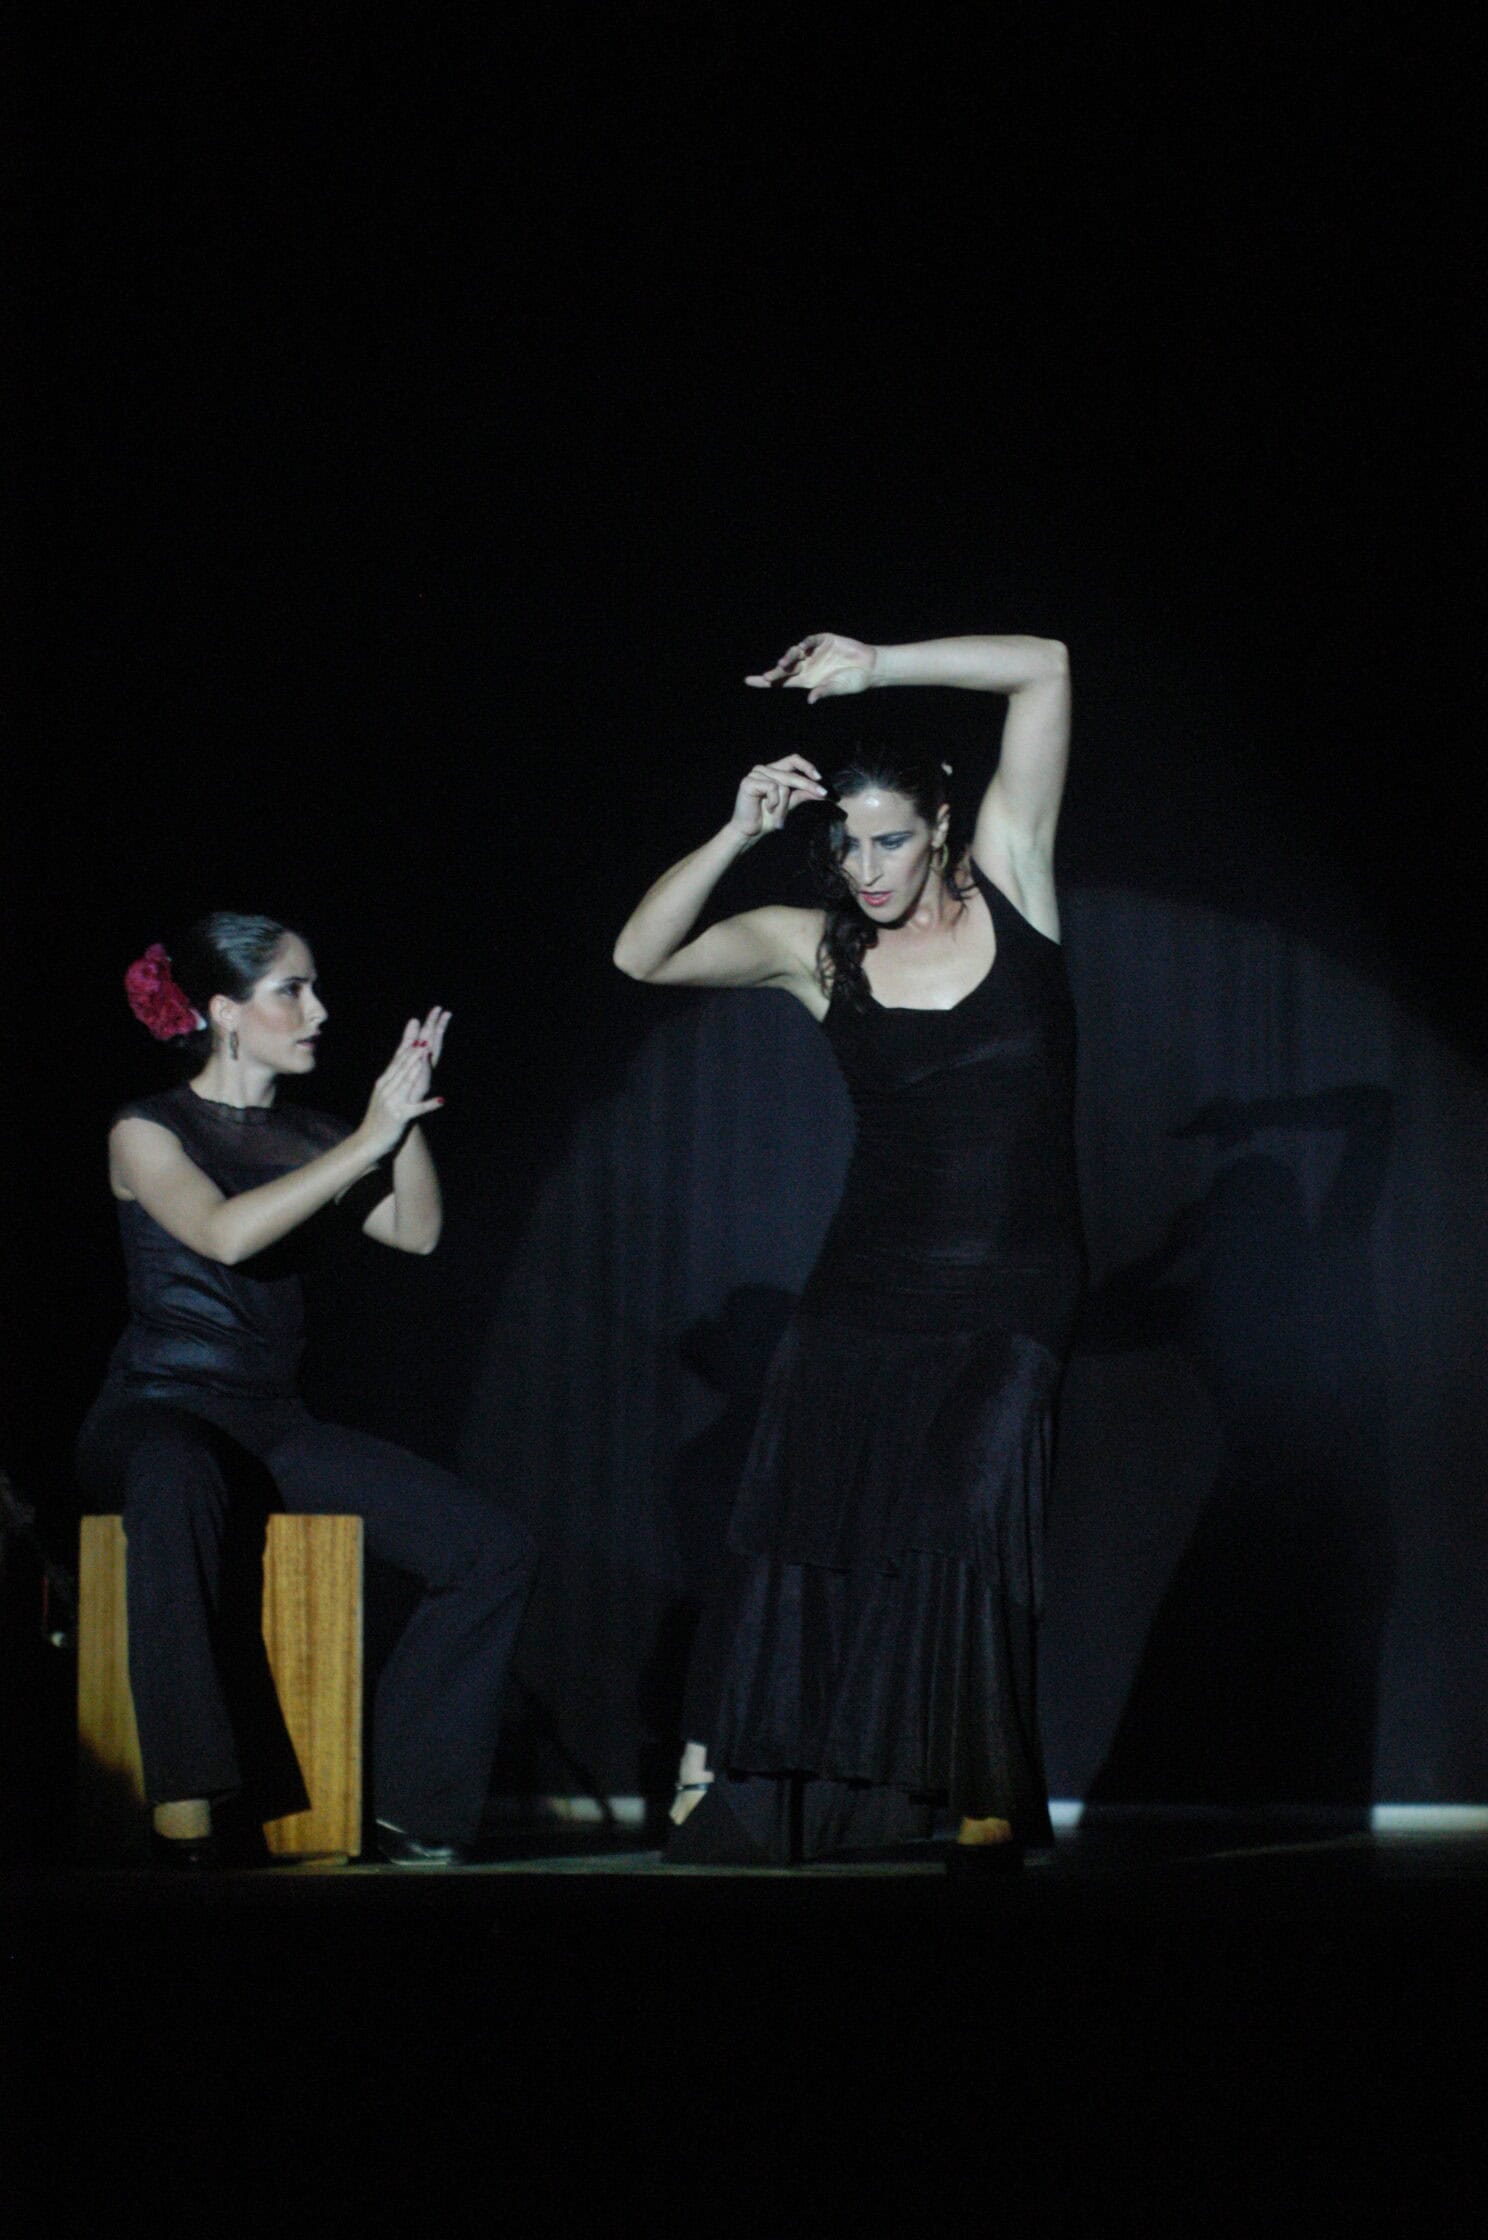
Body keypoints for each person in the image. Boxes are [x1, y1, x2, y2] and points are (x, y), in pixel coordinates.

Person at [614, 630, 1083, 1865]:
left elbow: (1045, 664)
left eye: (890, 840)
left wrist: (874, 665)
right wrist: (734, 832)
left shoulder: (1015, 876)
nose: (867, 869)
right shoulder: (816, 945)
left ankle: (978, 1791)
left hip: (1016, 1285)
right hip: (867, 1284)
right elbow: (639, 955)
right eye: (848, 845)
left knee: (966, 1513)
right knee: (818, 1522)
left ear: (941, 824)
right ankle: (818, 1792)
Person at [76, 913, 536, 1866]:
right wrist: (365, 1141)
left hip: (273, 1423)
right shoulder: (145, 1129)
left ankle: (411, 1805)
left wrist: (399, 1122)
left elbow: (416, 1232)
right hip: (159, 1411)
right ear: (223, 1011)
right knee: (176, 1474)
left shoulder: (314, 1136)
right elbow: (225, 1234)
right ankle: (187, 1807)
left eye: (315, 987)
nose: (319, 1010)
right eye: (293, 990)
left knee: (490, 1550)